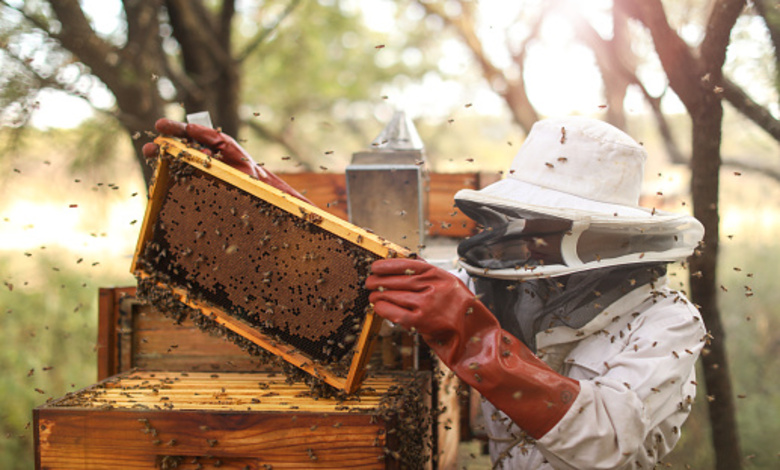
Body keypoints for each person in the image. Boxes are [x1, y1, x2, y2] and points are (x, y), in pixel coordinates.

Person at [145, 116, 706, 469]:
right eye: (525, 219)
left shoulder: (668, 323)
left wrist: (473, 336)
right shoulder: (498, 281)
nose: (530, 240)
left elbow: (608, 441)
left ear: (605, 234)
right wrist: (257, 190)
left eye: (550, 224)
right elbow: (371, 272)